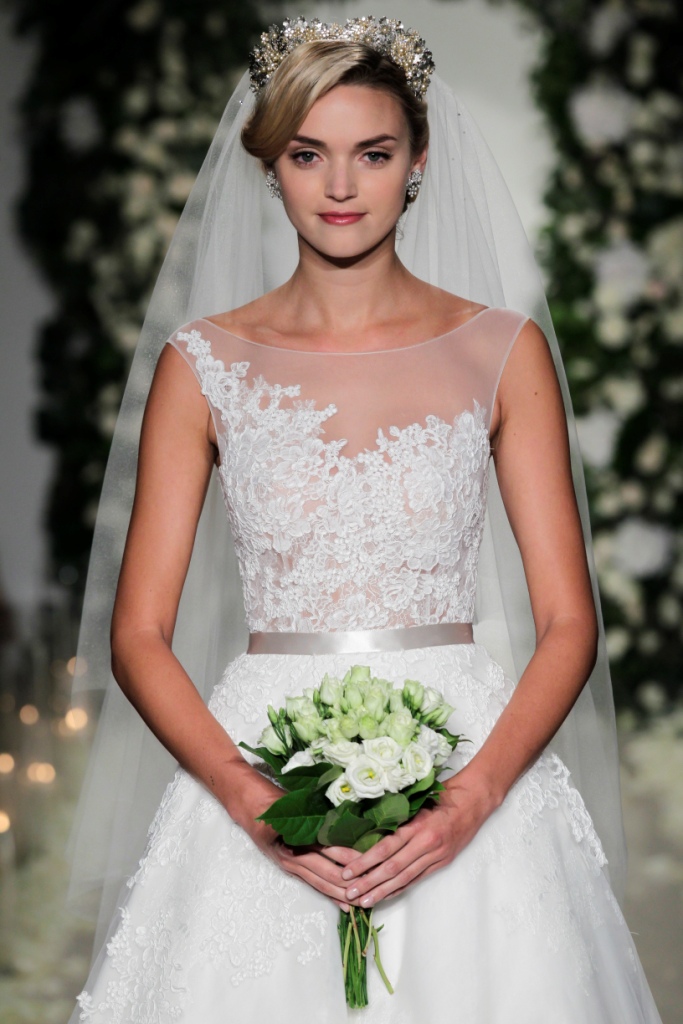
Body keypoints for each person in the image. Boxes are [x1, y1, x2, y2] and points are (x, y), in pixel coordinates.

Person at [66, 16, 662, 1022]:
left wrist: (471, 799)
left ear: (416, 160)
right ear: (271, 163)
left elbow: (568, 622)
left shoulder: (499, 351)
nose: (339, 187)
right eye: (308, 154)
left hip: (463, 765)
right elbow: (136, 633)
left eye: (371, 153)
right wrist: (254, 804)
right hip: (260, 763)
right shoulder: (201, 363)